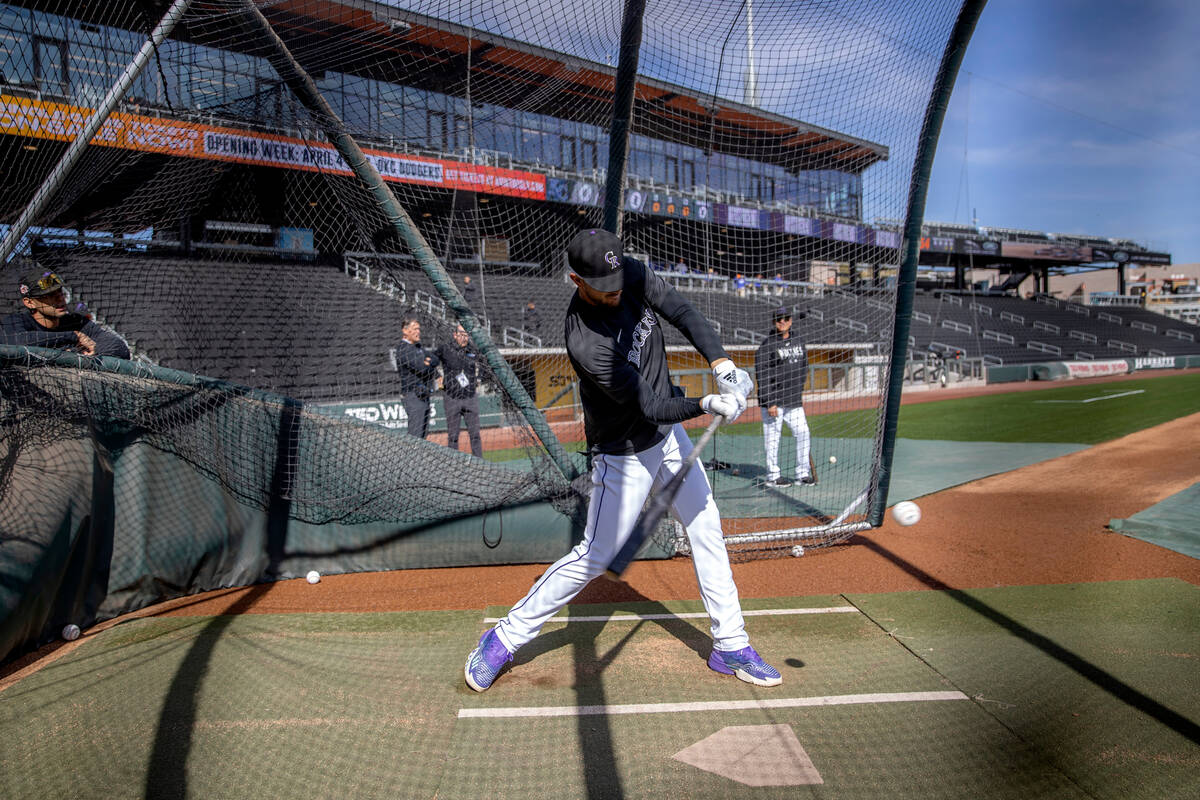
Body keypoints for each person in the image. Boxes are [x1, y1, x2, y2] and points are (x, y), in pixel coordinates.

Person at [464, 227, 781, 692]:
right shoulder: (585, 341)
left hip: (666, 436)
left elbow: (682, 310)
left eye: (618, 283)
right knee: (595, 556)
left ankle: (730, 643)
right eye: (603, 288)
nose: (615, 294)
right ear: (577, 280)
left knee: (706, 525)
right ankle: (505, 637)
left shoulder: (627, 271)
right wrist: (705, 404)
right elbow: (650, 405)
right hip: (625, 453)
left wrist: (721, 363)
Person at [1, 265, 129, 359]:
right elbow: (15, 343)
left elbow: (119, 348)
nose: (60, 299)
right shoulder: (16, 321)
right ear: (30, 302)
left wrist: (73, 354)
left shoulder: (76, 321)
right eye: (50, 295)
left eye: (60, 292)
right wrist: (73, 337)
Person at [753, 306, 813, 487]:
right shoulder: (767, 345)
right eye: (779, 319)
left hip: (794, 401)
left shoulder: (798, 340)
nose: (782, 322)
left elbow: (804, 366)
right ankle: (773, 476)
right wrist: (769, 402)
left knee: (803, 433)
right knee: (773, 438)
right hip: (774, 402)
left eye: (786, 318)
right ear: (774, 322)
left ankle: (802, 473)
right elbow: (762, 375)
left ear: (791, 320)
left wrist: (798, 391)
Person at [436, 323, 483, 458]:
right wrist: (437, 376)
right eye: (461, 334)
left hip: (470, 397)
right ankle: (453, 463)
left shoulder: (473, 350)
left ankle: (480, 463)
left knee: (475, 435)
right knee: (453, 436)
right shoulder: (445, 348)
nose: (464, 337)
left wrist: (479, 379)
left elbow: (485, 364)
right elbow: (431, 360)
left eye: (466, 334)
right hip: (451, 398)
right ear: (455, 335)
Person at [394, 312, 440, 438]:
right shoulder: (403, 349)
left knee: (423, 437)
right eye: (415, 329)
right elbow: (421, 368)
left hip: (424, 395)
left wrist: (427, 362)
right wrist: (426, 363)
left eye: (419, 329)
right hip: (413, 396)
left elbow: (435, 359)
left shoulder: (418, 347)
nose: (418, 332)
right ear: (405, 330)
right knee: (415, 436)